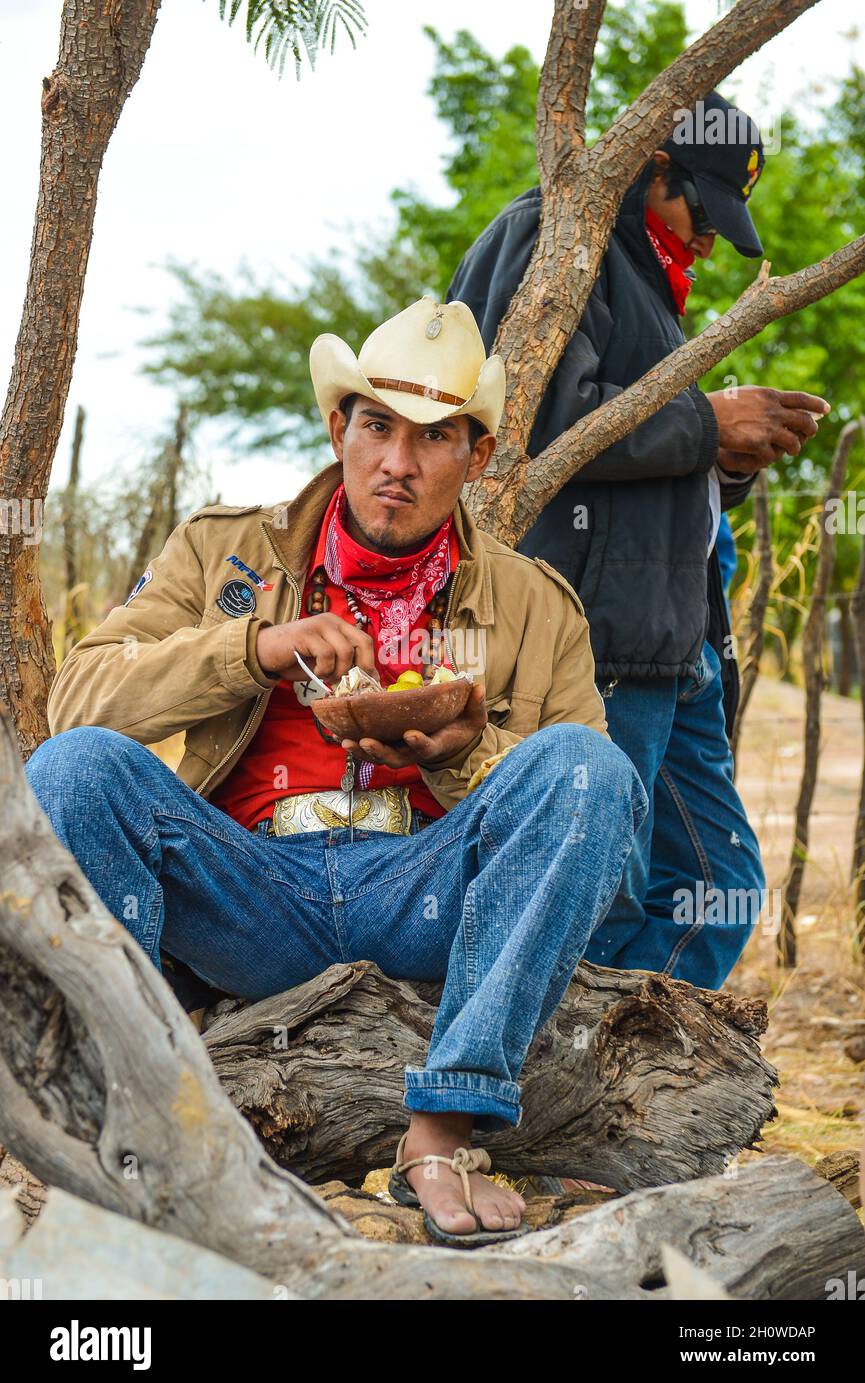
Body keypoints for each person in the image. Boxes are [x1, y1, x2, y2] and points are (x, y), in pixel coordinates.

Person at [27, 297, 647, 1247]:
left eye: (435, 437)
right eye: (376, 427)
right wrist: (255, 647)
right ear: (337, 427)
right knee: (77, 768)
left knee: (588, 770)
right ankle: (144, 1105)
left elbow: (605, 831)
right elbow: (79, 698)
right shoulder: (222, 551)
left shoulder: (533, 604)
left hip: (422, 889)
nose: (397, 462)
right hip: (245, 891)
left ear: (478, 458)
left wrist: (462, 755)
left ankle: (439, 1130)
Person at [447, 90, 830, 989]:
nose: (708, 238)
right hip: (589, 642)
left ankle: (621, 1083)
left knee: (716, 882)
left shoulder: (646, 274)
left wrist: (728, 459)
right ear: (654, 165)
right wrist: (707, 422)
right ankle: (547, 1085)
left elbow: (636, 461)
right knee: (598, 891)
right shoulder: (553, 236)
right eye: (702, 206)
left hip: (673, 640)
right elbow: (526, 430)